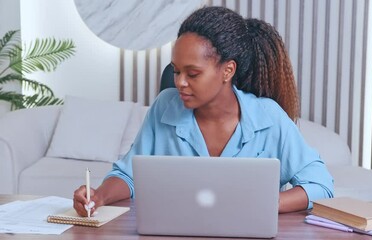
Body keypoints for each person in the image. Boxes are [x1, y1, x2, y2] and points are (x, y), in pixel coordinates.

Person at [73, 6, 334, 216]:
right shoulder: (165, 107)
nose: (179, 82)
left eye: (193, 73)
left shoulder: (268, 117)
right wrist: (99, 195)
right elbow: (127, 176)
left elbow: (321, 186)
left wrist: (270, 203)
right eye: (176, 71)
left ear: (227, 70)